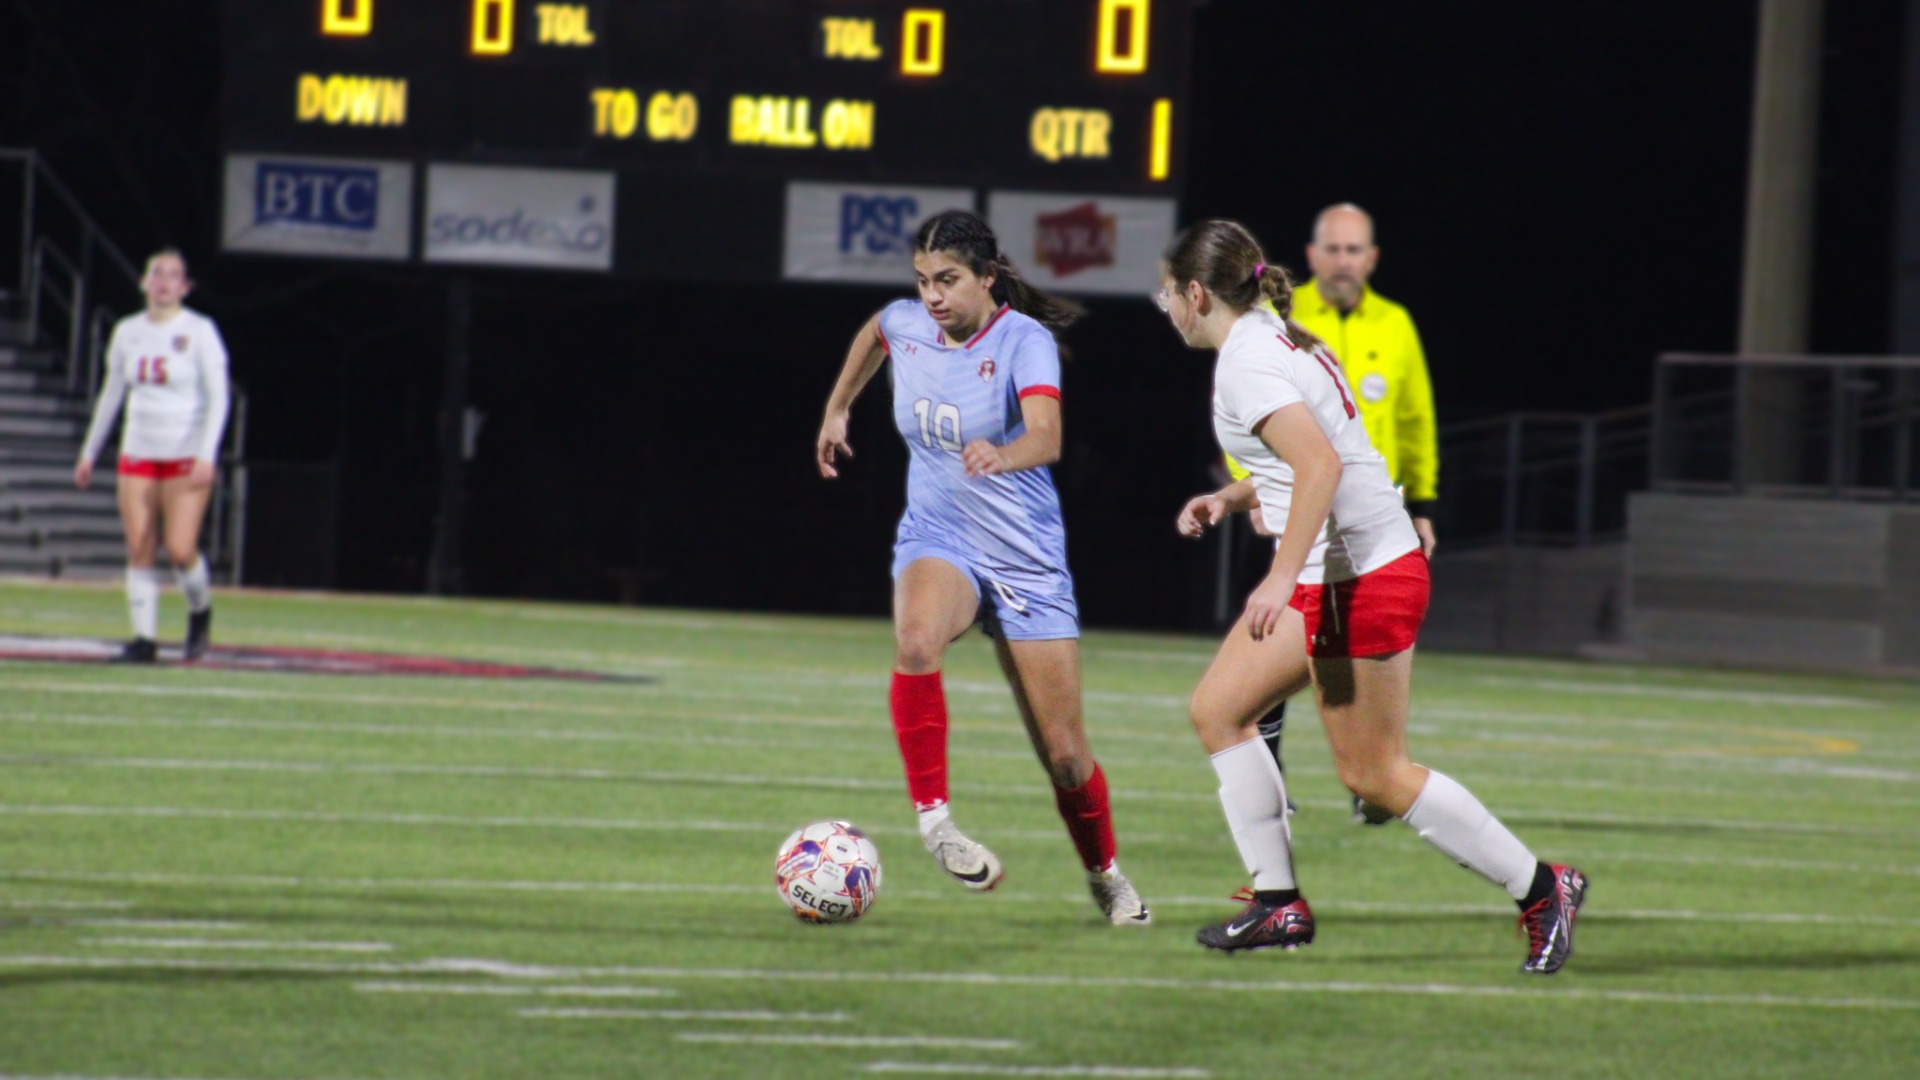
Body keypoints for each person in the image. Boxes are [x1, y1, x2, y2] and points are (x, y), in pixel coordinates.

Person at [1158, 219, 1584, 973]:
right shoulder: (1278, 336)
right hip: (1343, 571)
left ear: (1196, 293)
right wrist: (1230, 497)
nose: (1164, 307)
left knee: (1375, 775)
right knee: (1218, 710)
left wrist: (1280, 575)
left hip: (1359, 579)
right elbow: (1314, 459)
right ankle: (1277, 902)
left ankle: (1545, 888)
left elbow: (1320, 466)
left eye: (1167, 293)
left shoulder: (1248, 361)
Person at [814, 209, 1151, 926]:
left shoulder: (1023, 341)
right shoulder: (907, 323)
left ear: (987, 277)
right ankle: (936, 823)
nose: (932, 296)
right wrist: (838, 408)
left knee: (1066, 758)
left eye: (948, 280)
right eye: (922, 280)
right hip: (942, 539)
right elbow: (876, 332)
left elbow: (1047, 437)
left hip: (1025, 560)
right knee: (915, 642)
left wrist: (1004, 453)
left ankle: (1107, 875)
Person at [1239, 203, 1440, 824]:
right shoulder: (1282, 318)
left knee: (1363, 645)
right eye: (1333, 249)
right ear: (1312, 255)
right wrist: (1252, 488)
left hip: (1372, 523)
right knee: (1275, 640)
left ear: (1371, 259)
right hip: (1300, 510)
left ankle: (1371, 780)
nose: (1344, 261)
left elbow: (1415, 420)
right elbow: (1246, 412)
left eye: (1354, 250)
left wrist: (1424, 504)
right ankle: (1270, 783)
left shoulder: (1396, 324)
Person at [74, 248, 230, 663]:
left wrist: (207, 453)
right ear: (144, 282)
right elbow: (111, 394)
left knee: (180, 548)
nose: (164, 282)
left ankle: (200, 611)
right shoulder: (127, 331)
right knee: (139, 546)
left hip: (184, 452)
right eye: (157, 273)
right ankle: (144, 640)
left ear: (185, 287)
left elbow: (219, 397)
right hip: (139, 449)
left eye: (173, 275)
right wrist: (90, 451)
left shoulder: (200, 331)